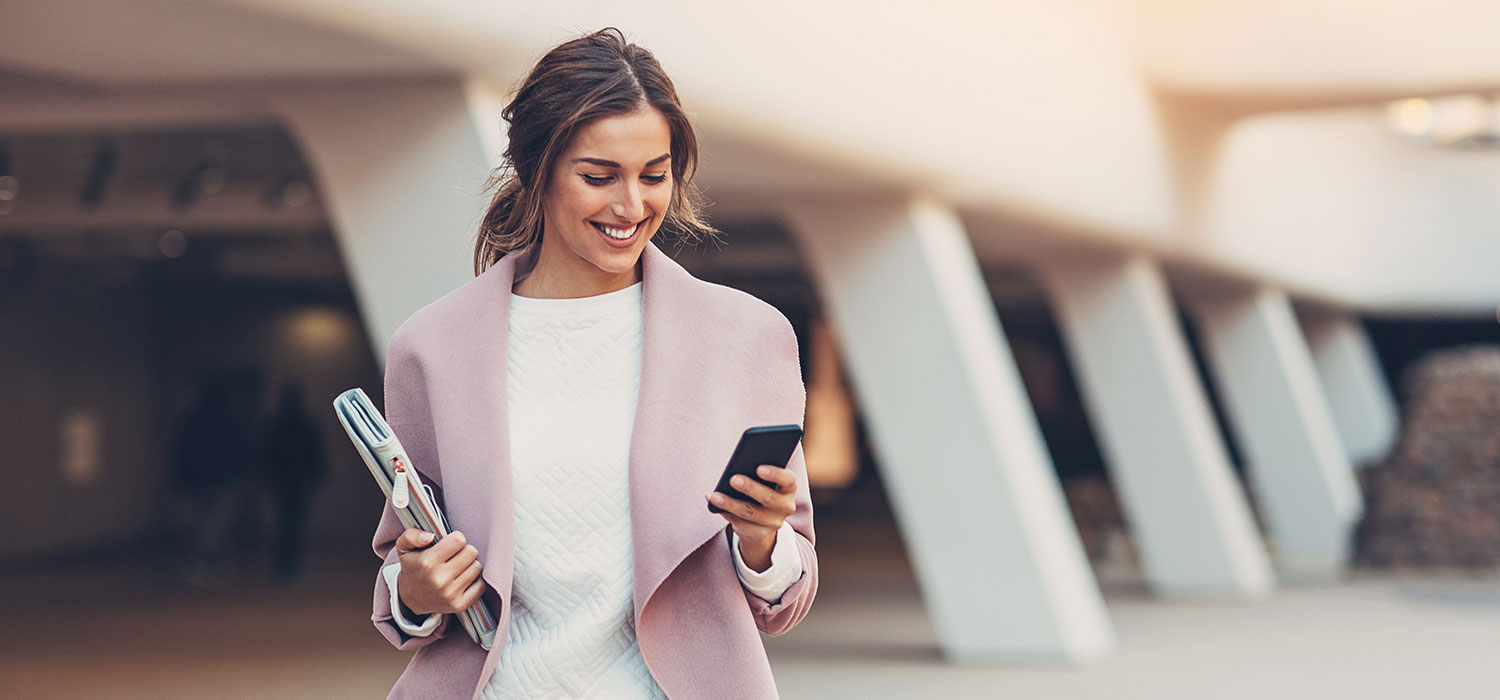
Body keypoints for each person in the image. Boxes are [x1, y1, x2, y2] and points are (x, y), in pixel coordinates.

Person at [369, 28, 818, 699]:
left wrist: (762, 541)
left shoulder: (746, 338)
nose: (631, 206)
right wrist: (414, 588)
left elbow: (787, 594)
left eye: (654, 176)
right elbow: (401, 570)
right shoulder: (431, 348)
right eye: (599, 177)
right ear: (537, 171)